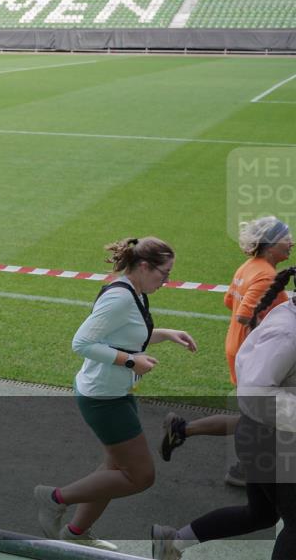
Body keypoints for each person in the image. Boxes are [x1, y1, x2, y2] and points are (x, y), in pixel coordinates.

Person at [34, 237, 197, 550]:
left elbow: (128, 335)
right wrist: (131, 361)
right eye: (164, 274)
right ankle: (54, 499)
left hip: (115, 391)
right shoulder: (120, 297)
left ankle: (76, 533)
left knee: (113, 469)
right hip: (103, 398)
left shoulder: (137, 292)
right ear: (144, 266)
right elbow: (81, 343)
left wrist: (165, 334)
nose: (167, 281)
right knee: (140, 476)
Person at [150, 286, 296, 560]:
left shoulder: (288, 315)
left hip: (264, 434)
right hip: (272, 439)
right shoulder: (288, 331)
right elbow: (256, 394)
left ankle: (174, 542)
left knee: (261, 514)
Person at [161, 218, 292, 486]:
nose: (291, 242)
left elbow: (228, 300)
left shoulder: (250, 267)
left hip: (241, 347)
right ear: (269, 244)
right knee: (259, 416)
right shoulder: (266, 274)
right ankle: (242, 469)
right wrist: (273, 331)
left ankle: (185, 430)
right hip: (257, 356)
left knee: (254, 415)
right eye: (285, 237)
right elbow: (246, 315)